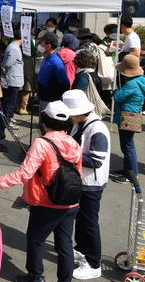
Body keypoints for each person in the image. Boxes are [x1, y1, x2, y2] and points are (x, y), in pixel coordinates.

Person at [0, 101, 82, 282]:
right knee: (65, 244)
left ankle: (35, 277)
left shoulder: (41, 143)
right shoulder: (73, 142)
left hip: (46, 201)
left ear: (44, 121)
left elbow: (24, 174)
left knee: (36, 240)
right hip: (70, 200)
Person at [62, 90, 110, 280]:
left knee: (89, 222)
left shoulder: (97, 129)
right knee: (81, 219)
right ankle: (81, 249)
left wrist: (68, 154)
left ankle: (93, 263)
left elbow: (97, 160)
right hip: (82, 180)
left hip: (92, 183)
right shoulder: (81, 123)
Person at [111, 54, 145, 184]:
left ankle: (131, 174)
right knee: (128, 145)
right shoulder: (141, 80)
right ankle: (127, 170)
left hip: (126, 115)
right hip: (134, 114)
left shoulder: (131, 83)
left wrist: (115, 92)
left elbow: (118, 97)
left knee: (128, 146)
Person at [37, 32, 70, 113]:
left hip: (50, 99)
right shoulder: (46, 56)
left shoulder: (56, 62)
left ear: (48, 46)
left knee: (47, 122)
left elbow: (65, 83)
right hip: (43, 96)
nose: (39, 45)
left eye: (42, 43)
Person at [1, 27, 24, 124]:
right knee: (10, 101)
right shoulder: (14, 48)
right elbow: (8, 63)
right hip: (12, 78)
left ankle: (9, 118)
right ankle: (8, 119)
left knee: (11, 100)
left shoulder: (13, 46)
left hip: (13, 78)